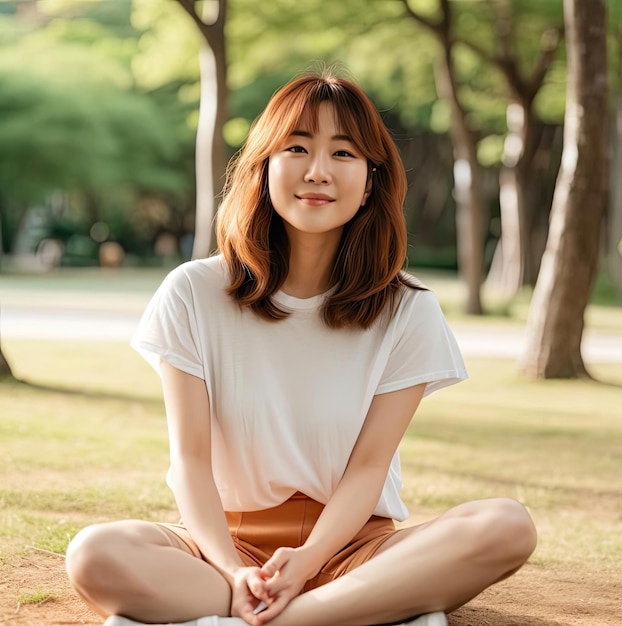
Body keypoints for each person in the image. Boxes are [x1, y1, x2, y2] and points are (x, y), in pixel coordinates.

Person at [65, 69, 537, 626]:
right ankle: (307, 611)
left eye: (343, 153)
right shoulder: (193, 292)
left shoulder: (408, 310)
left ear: (370, 183)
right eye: (297, 147)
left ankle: (289, 616)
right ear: (264, 167)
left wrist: (310, 560)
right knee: (96, 554)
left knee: (507, 525)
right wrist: (231, 571)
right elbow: (189, 463)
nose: (317, 171)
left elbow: (367, 469)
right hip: (227, 550)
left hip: (357, 553)